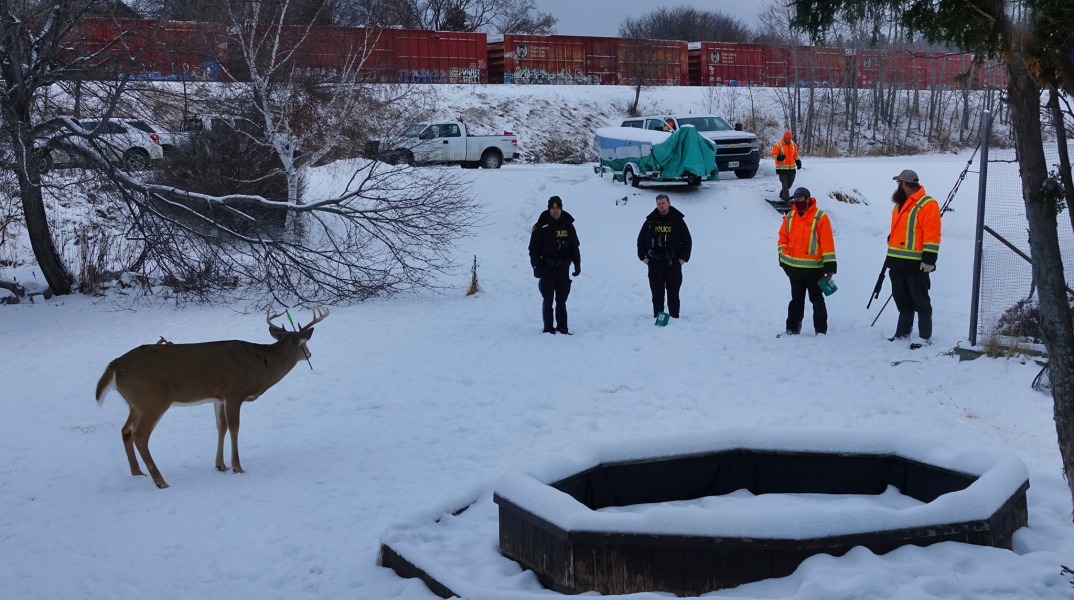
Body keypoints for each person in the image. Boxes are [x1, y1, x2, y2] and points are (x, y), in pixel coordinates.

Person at [886, 169, 941, 345]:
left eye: (898, 183)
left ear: (904, 183)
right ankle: (902, 333)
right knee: (902, 299)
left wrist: (929, 260)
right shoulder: (900, 205)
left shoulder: (927, 204)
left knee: (920, 300)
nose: (897, 186)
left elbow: (932, 235)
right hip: (896, 262)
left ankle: (924, 337)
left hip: (916, 264)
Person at [777, 187, 836, 335]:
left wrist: (829, 268)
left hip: (814, 270)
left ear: (808, 199)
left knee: (816, 300)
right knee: (796, 300)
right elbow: (783, 238)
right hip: (794, 269)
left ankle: (821, 331)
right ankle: (792, 328)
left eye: (800, 199)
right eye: (795, 199)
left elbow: (827, 243)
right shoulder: (790, 216)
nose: (797, 202)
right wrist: (782, 256)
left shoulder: (820, 217)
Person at [529, 196, 581, 335]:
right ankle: (548, 328)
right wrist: (536, 267)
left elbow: (575, 246)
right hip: (547, 269)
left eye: (558, 208)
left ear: (561, 209)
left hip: (563, 269)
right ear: (549, 209)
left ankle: (563, 328)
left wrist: (577, 264)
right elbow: (533, 249)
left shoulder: (568, 225)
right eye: (553, 209)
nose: (555, 211)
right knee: (548, 300)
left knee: (562, 300)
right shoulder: (541, 226)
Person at [637, 193, 692, 319]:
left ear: (669, 203)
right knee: (657, 293)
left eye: (663, 203)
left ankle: (674, 317)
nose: (661, 206)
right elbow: (641, 240)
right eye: (659, 204)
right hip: (654, 262)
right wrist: (643, 257)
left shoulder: (677, 219)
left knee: (673, 293)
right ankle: (659, 316)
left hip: (673, 262)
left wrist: (683, 258)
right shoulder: (650, 220)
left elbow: (687, 240)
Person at [771, 130, 802, 202]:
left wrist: (798, 162)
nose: (788, 140)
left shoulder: (793, 145)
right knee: (784, 184)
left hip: (791, 169)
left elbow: (796, 155)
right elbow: (773, 155)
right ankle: (786, 199)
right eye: (787, 139)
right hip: (782, 169)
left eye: (789, 139)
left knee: (790, 183)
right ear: (784, 138)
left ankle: (782, 194)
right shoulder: (778, 145)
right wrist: (779, 157)